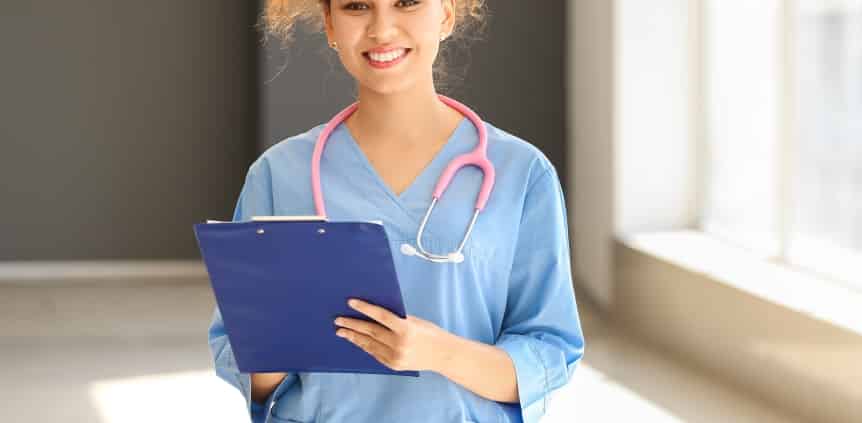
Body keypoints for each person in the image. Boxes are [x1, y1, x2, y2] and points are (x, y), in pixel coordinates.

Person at [206, 1, 584, 421]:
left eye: (406, 2)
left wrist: (438, 352)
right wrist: (273, 342)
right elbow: (247, 361)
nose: (382, 29)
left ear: (446, 13)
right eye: (356, 6)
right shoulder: (278, 175)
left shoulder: (522, 173)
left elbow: (549, 355)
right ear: (330, 24)